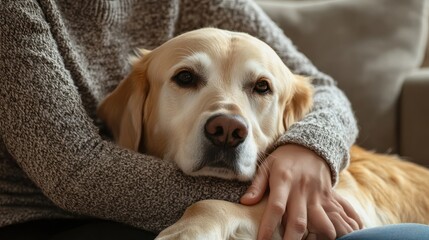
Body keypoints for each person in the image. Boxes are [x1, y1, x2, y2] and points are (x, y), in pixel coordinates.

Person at [0, 0, 363, 239]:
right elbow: (75, 174)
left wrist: (308, 150)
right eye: (186, 79)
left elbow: (326, 93)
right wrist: (276, 195)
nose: (228, 126)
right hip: (44, 217)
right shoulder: (15, 11)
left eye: (260, 88)